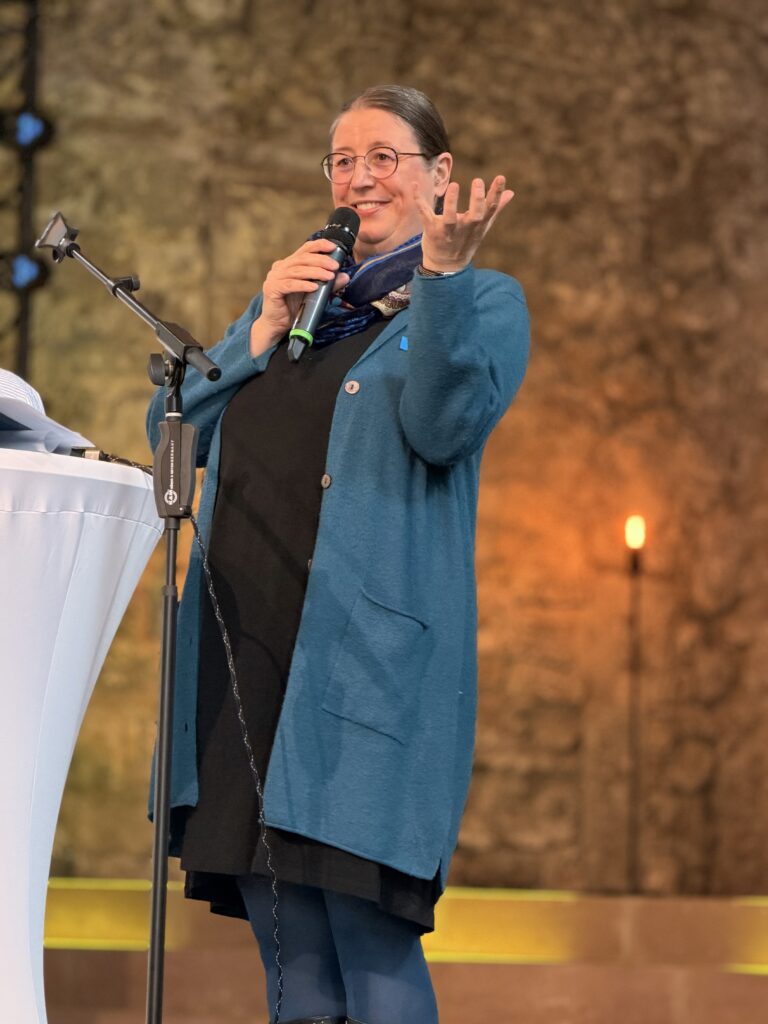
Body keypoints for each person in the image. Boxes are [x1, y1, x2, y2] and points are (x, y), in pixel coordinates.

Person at [147, 84, 529, 1024]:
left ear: (439, 173)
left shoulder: (483, 301)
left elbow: (441, 428)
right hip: (251, 662)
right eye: (342, 160)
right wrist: (255, 334)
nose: (359, 177)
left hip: (365, 676)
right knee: (294, 961)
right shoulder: (292, 302)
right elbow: (166, 440)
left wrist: (438, 281)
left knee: (367, 942)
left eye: (383, 157)